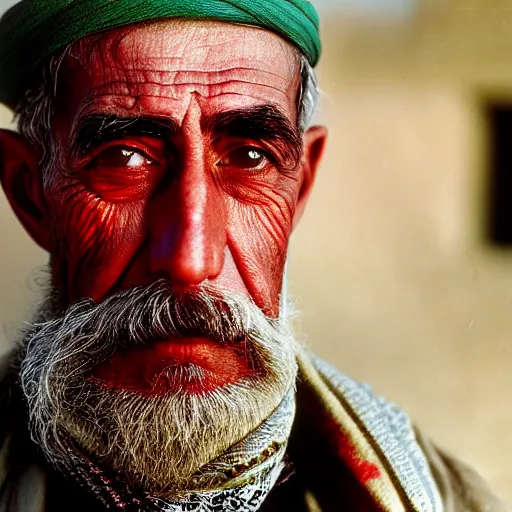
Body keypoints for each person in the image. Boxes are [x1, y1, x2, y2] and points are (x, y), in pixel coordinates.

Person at [0, 1, 507, 511]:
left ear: (300, 188)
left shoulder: (445, 498)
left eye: (249, 157)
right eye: (124, 157)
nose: (190, 262)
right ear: (30, 193)